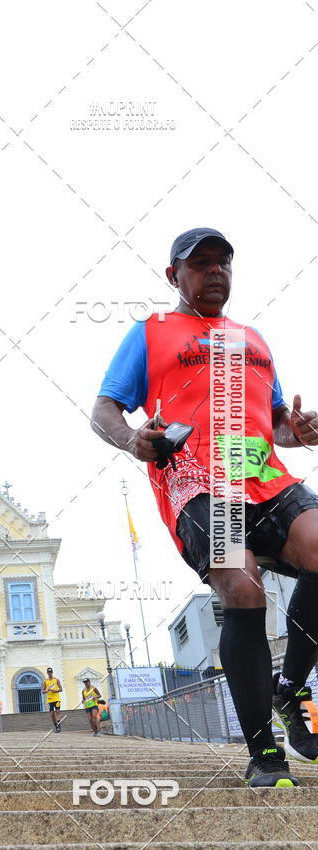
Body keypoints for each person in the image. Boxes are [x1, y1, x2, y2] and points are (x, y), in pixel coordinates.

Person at [92, 226, 318, 787]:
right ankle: (263, 753)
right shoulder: (151, 332)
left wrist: (300, 429)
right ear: (175, 276)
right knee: (242, 588)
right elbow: (103, 409)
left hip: (265, 477)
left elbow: (277, 424)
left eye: (225, 264)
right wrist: (130, 440)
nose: (216, 272)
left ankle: (289, 690)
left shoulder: (253, 338)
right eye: (202, 264)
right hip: (199, 483)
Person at [42, 667, 63, 732]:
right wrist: (46, 690)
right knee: (52, 714)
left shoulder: (56, 680)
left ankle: (59, 726)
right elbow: (43, 691)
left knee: (57, 712)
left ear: (52, 672)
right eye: (49, 672)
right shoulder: (45, 681)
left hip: (56, 699)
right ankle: (56, 725)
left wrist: (55, 690)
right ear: (47, 673)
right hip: (50, 700)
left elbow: (61, 689)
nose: (50, 673)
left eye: (51, 672)